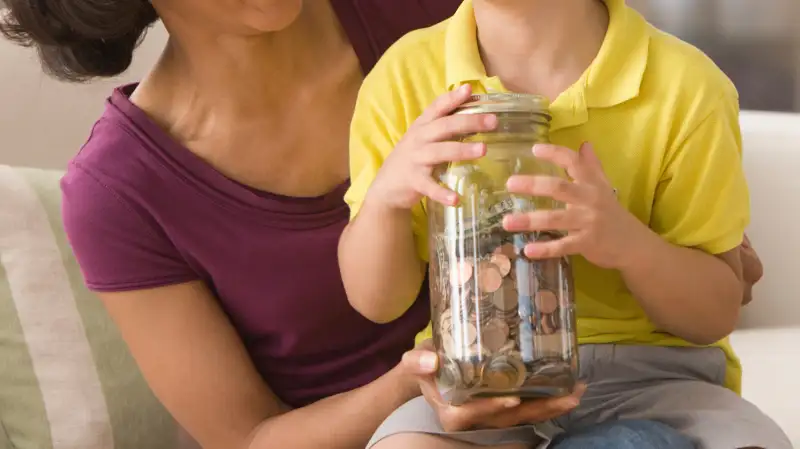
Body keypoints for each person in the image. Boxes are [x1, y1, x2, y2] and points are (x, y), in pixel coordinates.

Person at [0, 0, 701, 448]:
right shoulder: (119, 192)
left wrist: (682, 247)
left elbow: (632, 129)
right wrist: (419, 384)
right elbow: (252, 438)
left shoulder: (427, 16)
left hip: (586, 388)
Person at [339, 0, 787, 448]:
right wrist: (386, 200)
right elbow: (377, 303)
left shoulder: (688, 87)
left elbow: (714, 313)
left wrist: (630, 246)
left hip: (657, 379)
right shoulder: (401, 77)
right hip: (478, 380)